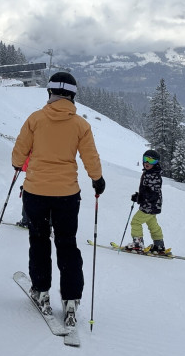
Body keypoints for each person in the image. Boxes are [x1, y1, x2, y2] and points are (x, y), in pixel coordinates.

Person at [11, 71, 105, 327]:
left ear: (49, 93)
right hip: (66, 194)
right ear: (73, 96)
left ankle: (41, 291)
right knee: (67, 244)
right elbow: (90, 157)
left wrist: (18, 165)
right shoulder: (80, 125)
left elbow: (19, 153)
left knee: (39, 240)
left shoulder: (36, 119)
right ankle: (71, 299)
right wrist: (97, 180)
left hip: (36, 192)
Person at [127, 148, 167, 255]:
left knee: (136, 222)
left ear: (156, 163)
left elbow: (153, 193)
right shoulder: (149, 173)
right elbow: (147, 191)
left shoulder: (154, 175)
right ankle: (159, 244)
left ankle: (138, 244)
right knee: (152, 224)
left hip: (149, 206)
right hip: (153, 206)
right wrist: (139, 196)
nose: (148, 163)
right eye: (146, 159)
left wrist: (141, 197)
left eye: (152, 161)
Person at [15, 156, 31, 229]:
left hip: (34, 177)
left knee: (27, 195)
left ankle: (26, 221)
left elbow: (27, 164)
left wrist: (19, 165)